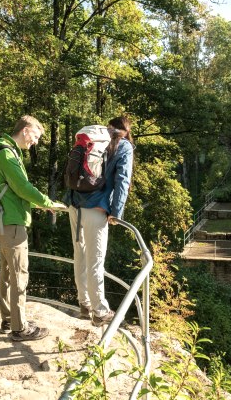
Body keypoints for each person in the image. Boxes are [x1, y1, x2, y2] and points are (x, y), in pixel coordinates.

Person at [0, 115, 65, 341]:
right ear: (24, 130)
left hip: (4, 220)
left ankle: (9, 319)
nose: (36, 142)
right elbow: (22, 187)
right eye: (35, 136)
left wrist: (40, 205)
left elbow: (13, 191)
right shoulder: (6, 154)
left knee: (7, 273)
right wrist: (48, 202)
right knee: (19, 274)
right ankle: (20, 328)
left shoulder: (3, 151)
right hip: (11, 222)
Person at [65, 116, 134, 327]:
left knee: (80, 255)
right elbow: (122, 180)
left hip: (74, 205)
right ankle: (100, 310)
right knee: (95, 260)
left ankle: (84, 304)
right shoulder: (124, 146)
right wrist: (116, 211)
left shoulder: (91, 140)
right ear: (126, 130)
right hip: (97, 208)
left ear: (108, 127)